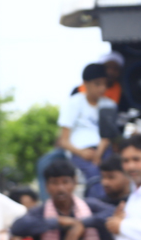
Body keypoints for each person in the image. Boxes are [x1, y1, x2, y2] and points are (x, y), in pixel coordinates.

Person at [40, 63, 112, 199]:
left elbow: (107, 136)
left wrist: (98, 154)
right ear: (85, 83)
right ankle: (99, 205)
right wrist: (82, 153)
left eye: (105, 84)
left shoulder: (109, 104)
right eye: (97, 84)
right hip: (78, 153)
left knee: (111, 171)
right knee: (93, 173)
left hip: (103, 151)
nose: (102, 88)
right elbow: (64, 140)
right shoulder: (73, 103)